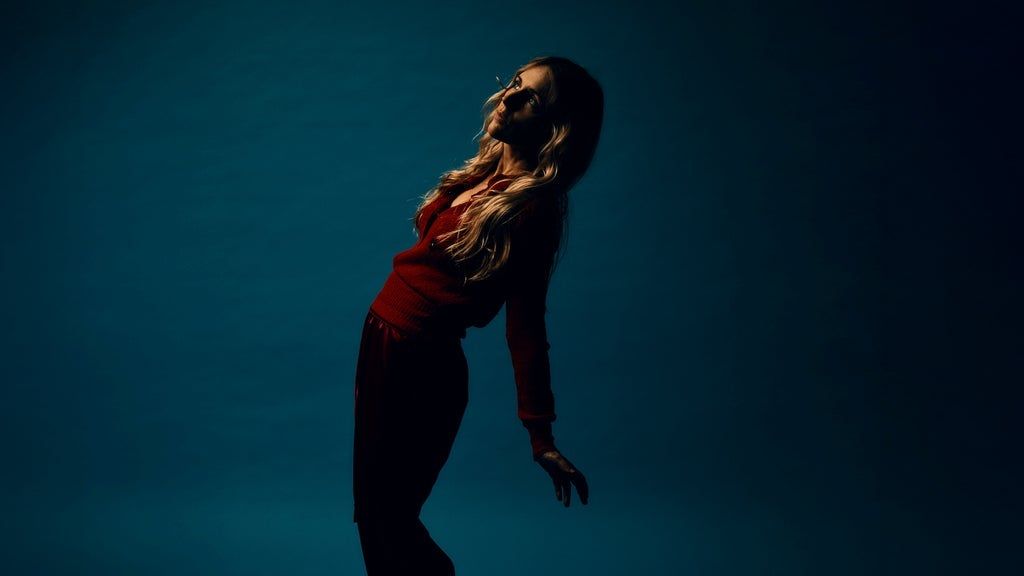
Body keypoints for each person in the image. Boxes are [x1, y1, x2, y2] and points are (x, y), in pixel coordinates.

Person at [353, 55, 603, 575]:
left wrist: (540, 434)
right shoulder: (484, 173)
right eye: (513, 83)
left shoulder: (532, 210)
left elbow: (526, 326)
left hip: (420, 367)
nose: (509, 96)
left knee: (389, 518)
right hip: (382, 346)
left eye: (530, 97)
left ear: (556, 128)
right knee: (374, 514)